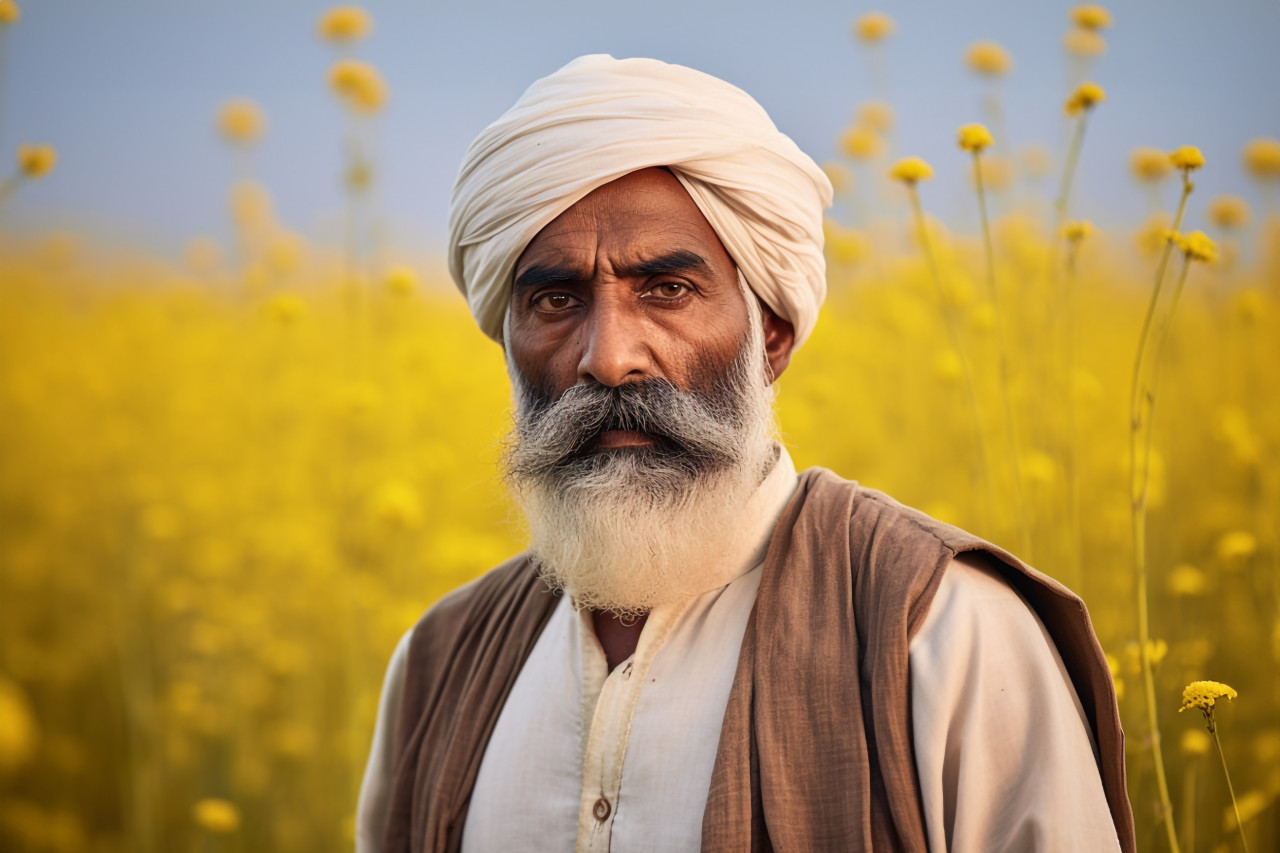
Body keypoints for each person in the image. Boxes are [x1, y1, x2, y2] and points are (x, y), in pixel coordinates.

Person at [355, 55, 1135, 853]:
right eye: (556, 300)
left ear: (772, 333)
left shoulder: (944, 633)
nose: (610, 356)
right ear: (510, 338)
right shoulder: (438, 668)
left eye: (667, 289)